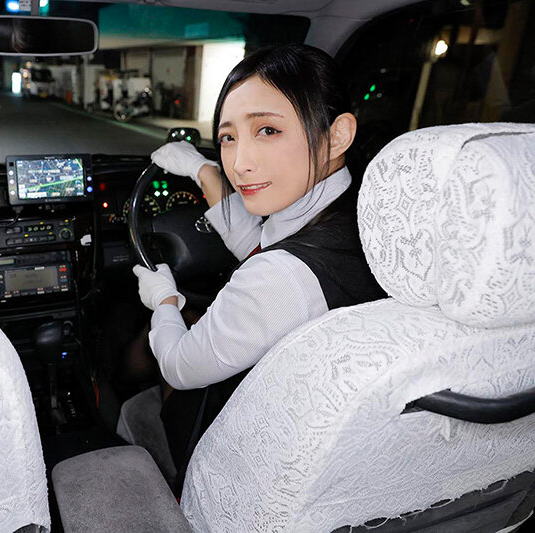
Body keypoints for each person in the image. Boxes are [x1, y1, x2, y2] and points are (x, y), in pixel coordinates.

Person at [131, 43, 386, 490]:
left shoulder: (280, 278)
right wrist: (203, 171)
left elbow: (177, 366)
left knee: (141, 359)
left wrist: (165, 302)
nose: (239, 164)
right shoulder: (364, 214)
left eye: (267, 130)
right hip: (329, 441)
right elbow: (262, 244)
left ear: (337, 135)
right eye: (228, 138)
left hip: (243, 455)